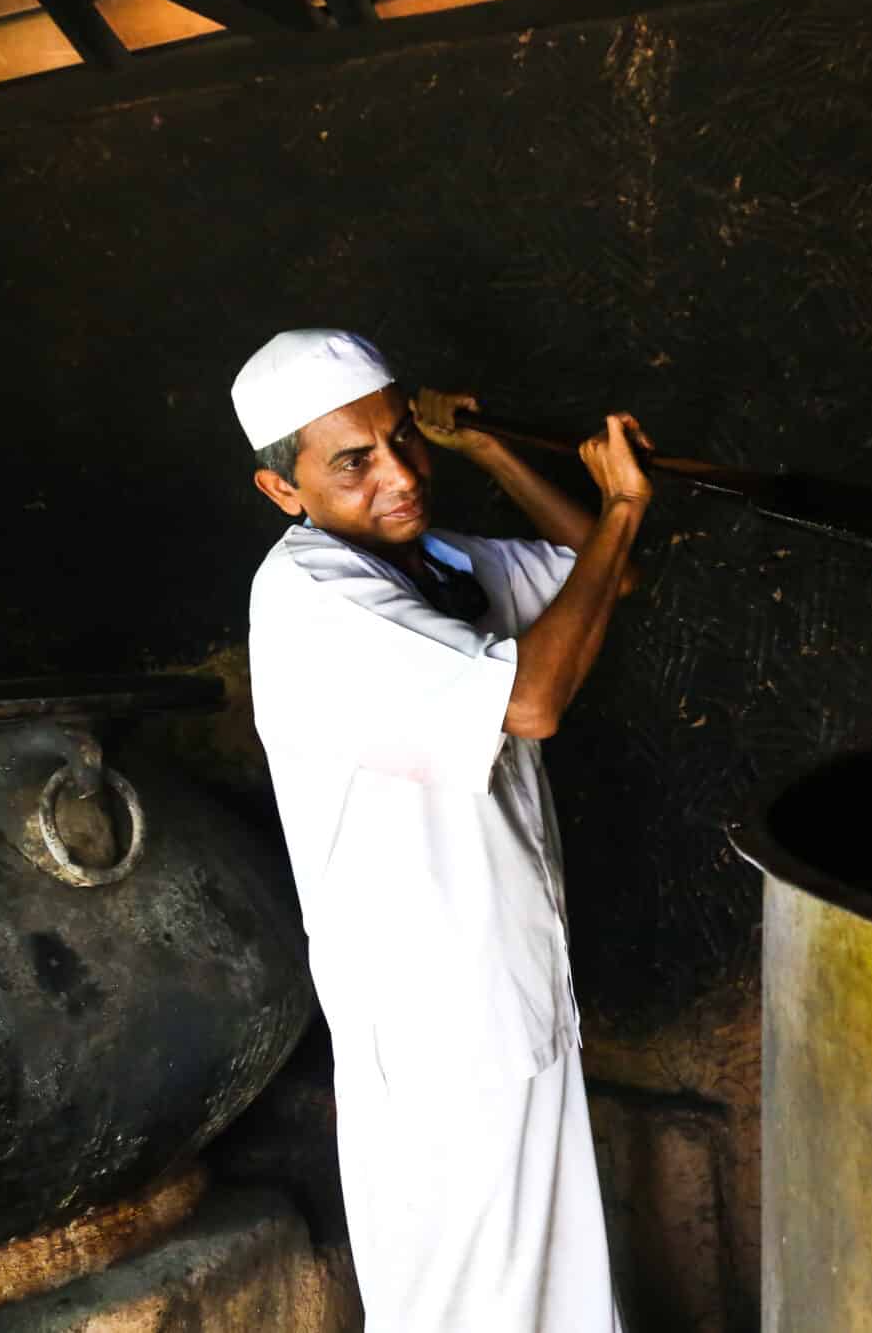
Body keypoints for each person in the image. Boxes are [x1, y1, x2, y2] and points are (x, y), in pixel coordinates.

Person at [235, 327, 648, 1329]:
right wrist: (625, 505)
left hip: (511, 990)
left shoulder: (429, 558)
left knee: (553, 1296)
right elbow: (533, 702)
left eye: (403, 439)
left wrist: (490, 450)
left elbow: (600, 576)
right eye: (353, 462)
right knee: (468, 1305)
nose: (400, 474)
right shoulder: (314, 596)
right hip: (439, 1030)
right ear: (284, 489)